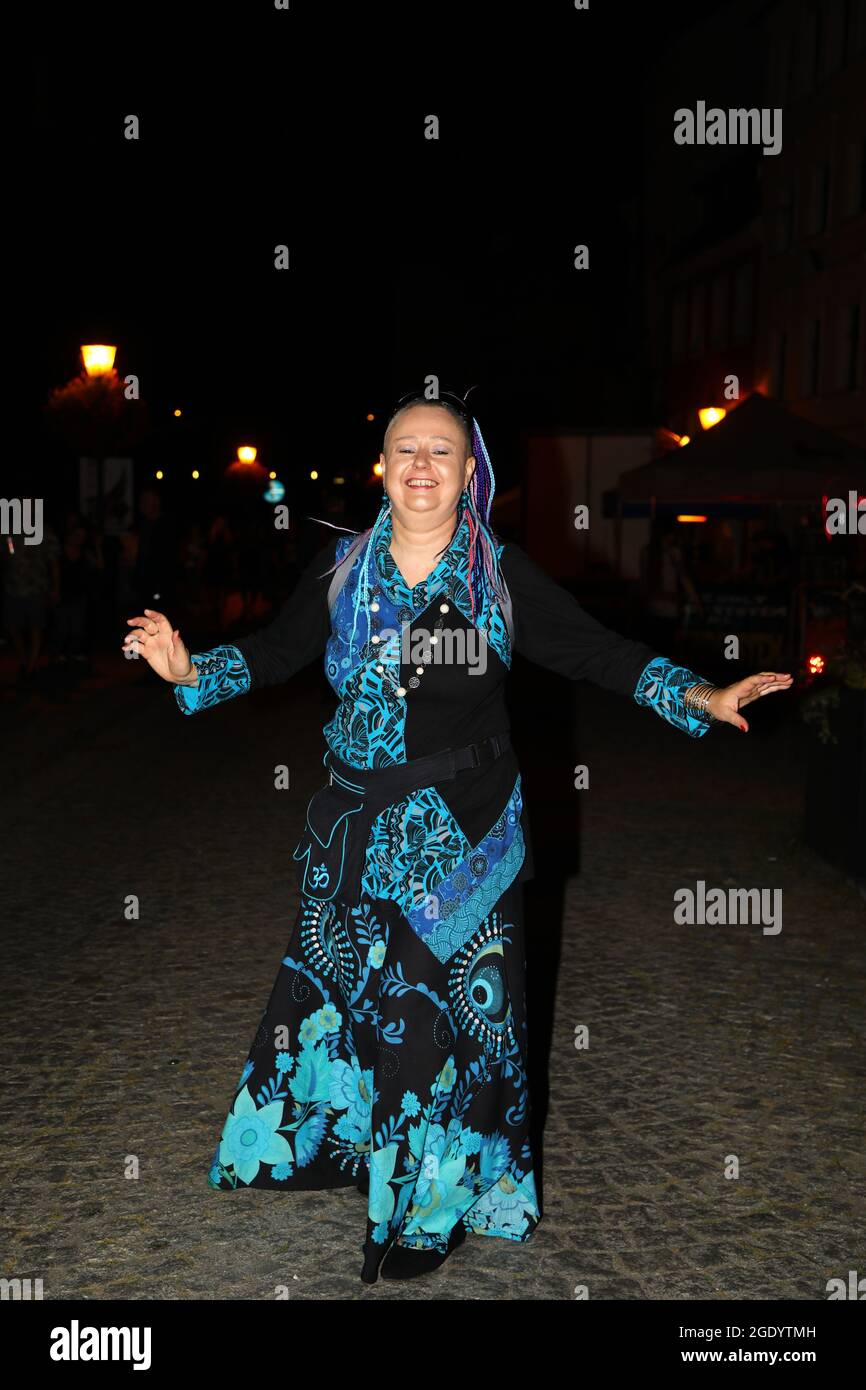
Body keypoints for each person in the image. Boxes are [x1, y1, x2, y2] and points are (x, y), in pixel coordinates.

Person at [124, 389, 793, 1284]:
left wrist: (701, 698)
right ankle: (346, 1152)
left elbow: (599, 653)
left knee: (429, 1025)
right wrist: (189, 668)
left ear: (469, 471)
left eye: (442, 450)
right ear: (384, 467)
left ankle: (422, 1216)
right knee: (352, 1009)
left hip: (461, 835)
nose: (422, 465)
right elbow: (278, 651)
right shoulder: (341, 568)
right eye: (405, 449)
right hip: (357, 831)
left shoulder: (499, 576)